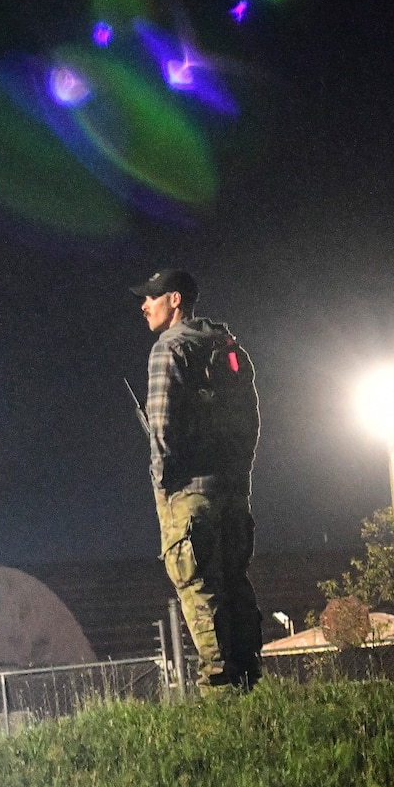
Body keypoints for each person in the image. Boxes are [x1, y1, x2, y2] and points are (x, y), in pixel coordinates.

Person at [132, 269, 263, 691]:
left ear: (174, 299)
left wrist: (162, 482)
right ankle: (249, 678)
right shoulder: (227, 347)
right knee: (236, 584)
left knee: (199, 587)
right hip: (232, 490)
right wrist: (239, 473)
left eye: (151, 298)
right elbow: (251, 418)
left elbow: (161, 428)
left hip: (188, 494)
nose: (144, 305)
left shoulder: (167, 348)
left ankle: (221, 687)